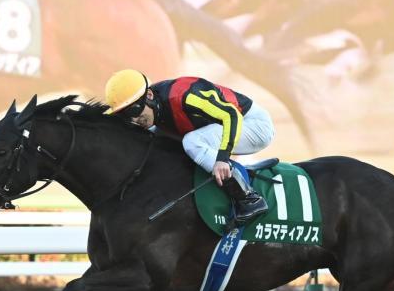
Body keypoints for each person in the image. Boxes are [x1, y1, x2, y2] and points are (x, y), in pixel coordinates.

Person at [103, 69, 275, 226]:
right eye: (125, 115)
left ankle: (249, 198)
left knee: (192, 142)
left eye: (133, 110)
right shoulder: (155, 105)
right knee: (152, 139)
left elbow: (232, 115)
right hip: (224, 125)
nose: (134, 119)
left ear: (149, 95)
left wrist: (222, 158)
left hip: (253, 125)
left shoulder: (186, 96)